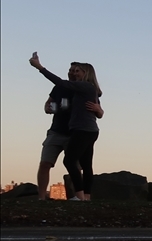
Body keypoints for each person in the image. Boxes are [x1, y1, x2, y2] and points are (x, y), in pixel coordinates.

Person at [29, 52, 103, 201]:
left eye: (77, 70)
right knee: (51, 163)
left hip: (79, 132)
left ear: (85, 72)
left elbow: (99, 111)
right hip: (63, 130)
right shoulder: (69, 88)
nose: (73, 72)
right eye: (72, 70)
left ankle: (81, 197)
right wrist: (48, 107)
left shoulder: (84, 87)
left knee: (74, 163)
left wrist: (39, 67)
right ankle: (81, 198)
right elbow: (49, 101)